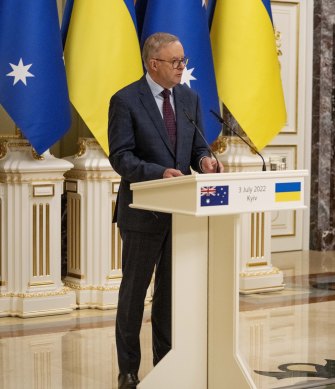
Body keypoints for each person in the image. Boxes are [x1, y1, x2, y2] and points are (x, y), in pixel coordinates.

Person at [108, 32, 223, 389]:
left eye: (184, 61)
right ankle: (128, 370)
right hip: (143, 211)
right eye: (175, 62)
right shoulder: (126, 100)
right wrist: (159, 173)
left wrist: (205, 161)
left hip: (180, 212)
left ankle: (166, 362)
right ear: (152, 64)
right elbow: (121, 156)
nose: (182, 67)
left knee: (171, 293)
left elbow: (196, 149)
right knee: (134, 292)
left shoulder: (189, 98)